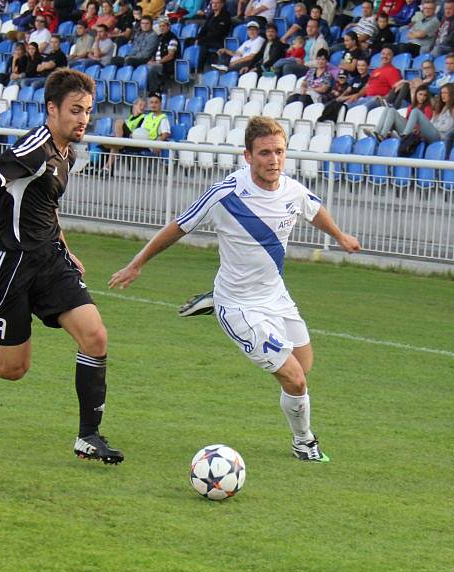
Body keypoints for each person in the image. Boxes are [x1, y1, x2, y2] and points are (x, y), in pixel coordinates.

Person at [109, 116, 361, 462]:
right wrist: (137, 263)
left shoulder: (292, 190)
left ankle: (213, 300)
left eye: (279, 152)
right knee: (295, 380)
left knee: (303, 365)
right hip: (240, 305)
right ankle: (304, 442)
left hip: (276, 296)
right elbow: (178, 227)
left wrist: (340, 236)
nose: (273, 160)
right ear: (247, 156)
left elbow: (315, 210)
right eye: (264, 154)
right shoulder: (225, 194)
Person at [0, 69, 124, 465]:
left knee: (95, 338)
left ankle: (88, 437)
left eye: (88, 111)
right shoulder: (37, 146)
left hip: (50, 261)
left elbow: (46, 206)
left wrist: (67, 247)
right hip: (9, 266)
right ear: (52, 109)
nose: (83, 119)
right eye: (75, 110)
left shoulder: (69, 154)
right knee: (14, 367)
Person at [368, 84, 434, 141]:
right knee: (387, 108)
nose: (422, 97)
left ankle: (383, 135)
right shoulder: (411, 106)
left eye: (425, 95)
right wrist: (402, 119)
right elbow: (408, 119)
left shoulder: (427, 108)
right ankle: (376, 132)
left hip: (413, 132)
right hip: (406, 127)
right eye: (420, 94)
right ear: (416, 94)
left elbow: (425, 125)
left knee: (392, 111)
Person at [147, 17, 179, 93]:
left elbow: (170, 55)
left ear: (169, 27)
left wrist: (157, 62)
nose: (162, 28)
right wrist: (151, 60)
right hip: (157, 63)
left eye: (164, 26)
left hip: (166, 65)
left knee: (153, 68)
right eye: (160, 26)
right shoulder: (159, 38)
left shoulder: (172, 39)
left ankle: (153, 91)